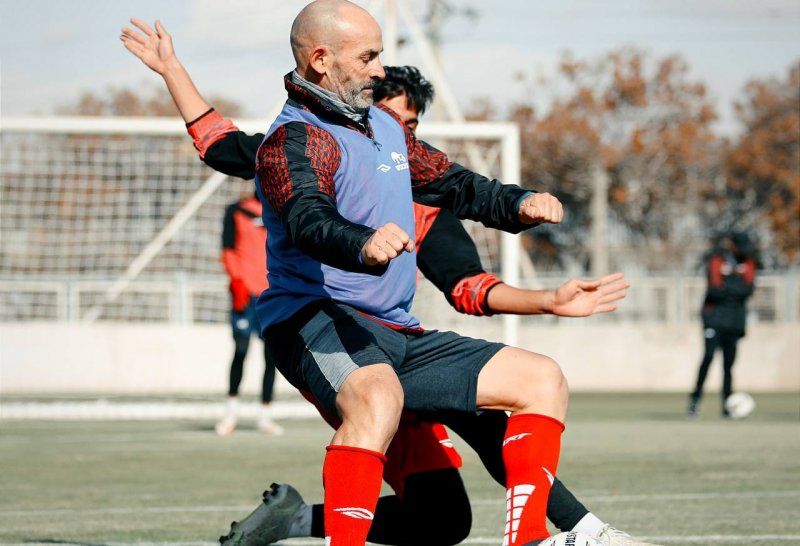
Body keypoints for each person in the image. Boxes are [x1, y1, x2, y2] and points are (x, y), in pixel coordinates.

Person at [120, 15, 654, 546]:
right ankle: (585, 530)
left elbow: (460, 207)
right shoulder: (294, 141)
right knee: (379, 396)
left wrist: (518, 205)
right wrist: (360, 241)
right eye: (369, 58)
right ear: (321, 61)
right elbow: (299, 209)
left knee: (523, 402)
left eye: (381, 57)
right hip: (317, 323)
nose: (381, 70)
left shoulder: (387, 135)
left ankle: (529, 538)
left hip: (399, 336)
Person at [216, 192, 284, 436]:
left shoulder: (281, 210)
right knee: (241, 350)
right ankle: (231, 412)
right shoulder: (236, 210)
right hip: (246, 295)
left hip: (273, 295)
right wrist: (237, 281)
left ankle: (265, 415)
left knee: (272, 357)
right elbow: (228, 249)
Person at [688, 231, 757, 418]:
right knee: (708, 357)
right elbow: (715, 290)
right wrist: (735, 290)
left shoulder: (749, 264)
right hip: (714, 319)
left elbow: (748, 291)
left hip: (734, 322)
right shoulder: (717, 262)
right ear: (732, 246)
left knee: (728, 365)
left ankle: (727, 406)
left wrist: (729, 290)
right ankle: (695, 400)